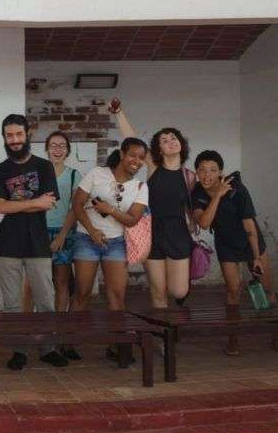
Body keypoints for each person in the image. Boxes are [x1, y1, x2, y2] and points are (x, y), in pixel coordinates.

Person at [0, 114, 67, 370]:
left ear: (27, 135)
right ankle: (19, 350)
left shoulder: (44, 167)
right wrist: (34, 202)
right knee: (11, 303)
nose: (14, 140)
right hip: (7, 243)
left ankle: (48, 348)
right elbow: (0, 206)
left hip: (37, 242)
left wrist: (14, 205)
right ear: (4, 138)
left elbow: (50, 202)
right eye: (9, 136)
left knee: (45, 299)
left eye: (18, 134)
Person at [192, 150, 278, 354]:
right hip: (225, 242)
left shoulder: (237, 189)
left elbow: (249, 224)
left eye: (212, 170)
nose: (207, 175)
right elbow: (205, 223)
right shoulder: (198, 193)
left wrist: (257, 258)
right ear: (196, 172)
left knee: (266, 287)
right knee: (233, 290)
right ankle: (233, 338)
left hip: (249, 240)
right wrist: (217, 195)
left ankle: (276, 334)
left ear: (220, 172)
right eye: (202, 170)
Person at [70, 138, 150, 362]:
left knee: (116, 295)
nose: (137, 161)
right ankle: (67, 342)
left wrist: (110, 210)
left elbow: (133, 220)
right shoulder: (97, 174)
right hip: (87, 239)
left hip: (116, 243)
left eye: (141, 158)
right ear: (123, 154)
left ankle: (118, 346)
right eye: (133, 155)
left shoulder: (140, 187)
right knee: (83, 293)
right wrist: (93, 231)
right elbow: (77, 205)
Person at [113, 100, 195, 308]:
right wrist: (119, 112)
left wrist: (193, 221)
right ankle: (163, 338)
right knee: (158, 293)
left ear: (181, 144)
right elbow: (131, 138)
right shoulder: (153, 166)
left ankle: (179, 293)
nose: (171, 141)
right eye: (165, 140)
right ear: (158, 149)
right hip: (153, 233)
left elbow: (189, 203)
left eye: (174, 138)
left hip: (178, 234)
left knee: (178, 290)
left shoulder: (189, 176)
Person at [43, 130, 82, 361]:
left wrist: (61, 235)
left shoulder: (74, 175)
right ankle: (41, 333)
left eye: (62, 146)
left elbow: (74, 208)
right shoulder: (39, 172)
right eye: (53, 145)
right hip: (38, 233)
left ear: (68, 150)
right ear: (46, 148)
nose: (57, 149)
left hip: (64, 234)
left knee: (61, 283)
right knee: (39, 285)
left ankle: (60, 335)